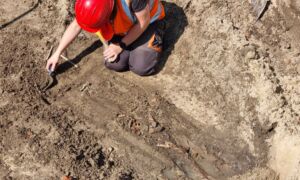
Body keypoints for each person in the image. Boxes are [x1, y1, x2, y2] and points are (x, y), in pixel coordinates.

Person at [46, 0, 166, 76]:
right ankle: (131, 46)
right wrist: (57, 53)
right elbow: (77, 24)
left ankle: (157, 36)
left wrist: (121, 46)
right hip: (124, 26)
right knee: (114, 64)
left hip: (149, 22)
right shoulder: (93, 4)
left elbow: (143, 23)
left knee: (141, 67)